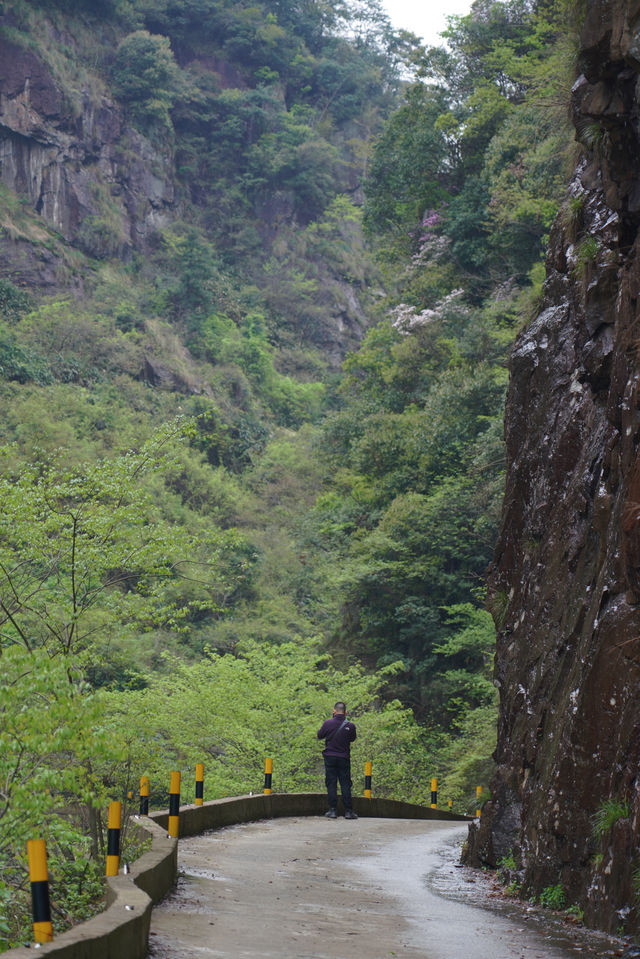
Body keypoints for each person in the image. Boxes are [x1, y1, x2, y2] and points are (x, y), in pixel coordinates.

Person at [317, 701, 358, 819]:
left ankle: (332, 810)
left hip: (330, 757)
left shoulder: (327, 723)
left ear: (334, 711)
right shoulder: (350, 726)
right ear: (346, 712)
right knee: (345, 784)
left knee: (331, 783)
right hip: (344, 758)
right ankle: (349, 812)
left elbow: (319, 735)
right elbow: (352, 739)